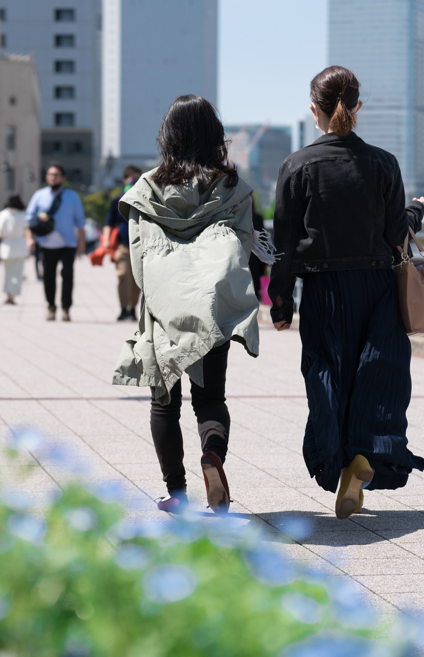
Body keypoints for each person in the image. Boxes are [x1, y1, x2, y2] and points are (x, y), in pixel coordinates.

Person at [269, 65, 424, 520]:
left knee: (327, 375)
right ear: (358, 107)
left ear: (313, 109)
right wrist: (415, 211)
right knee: (376, 376)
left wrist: (279, 302)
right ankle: (363, 461)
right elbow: (396, 233)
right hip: (379, 287)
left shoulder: (296, 166)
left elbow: (282, 243)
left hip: (324, 289)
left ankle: (340, 462)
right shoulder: (383, 163)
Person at [112, 95, 261, 514]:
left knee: (165, 403)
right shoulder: (232, 187)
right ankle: (212, 454)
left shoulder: (147, 188)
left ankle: (176, 493)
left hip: (164, 309)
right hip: (212, 306)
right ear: (216, 135)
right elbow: (245, 245)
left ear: (168, 136)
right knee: (211, 399)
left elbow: (140, 259)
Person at [25, 164, 86, 321]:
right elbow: (29, 219)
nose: (53, 177)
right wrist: (30, 238)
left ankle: (66, 308)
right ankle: (51, 306)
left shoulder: (72, 196)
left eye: (56, 174)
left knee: (67, 276)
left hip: (68, 243)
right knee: (48, 277)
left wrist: (81, 242)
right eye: (50, 174)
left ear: (63, 178)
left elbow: (80, 222)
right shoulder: (39, 195)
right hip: (46, 243)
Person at [102, 165, 143, 321]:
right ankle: (123, 308)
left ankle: (132, 308)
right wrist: (106, 240)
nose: (134, 182)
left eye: (138, 178)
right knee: (123, 275)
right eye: (131, 178)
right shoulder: (118, 199)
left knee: (136, 279)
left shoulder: (145, 198)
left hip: (140, 246)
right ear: (125, 180)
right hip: (123, 245)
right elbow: (109, 222)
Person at [0, 194, 32, 304]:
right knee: (18, 273)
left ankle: (8, 294)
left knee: (8, 272)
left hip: (7, 245)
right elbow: (27, 231)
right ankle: (13, 295)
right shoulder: (23, 215)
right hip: (20, 245)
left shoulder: (2, 215)